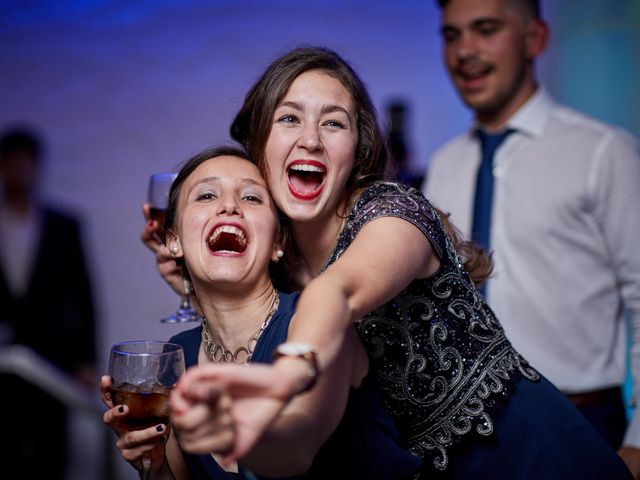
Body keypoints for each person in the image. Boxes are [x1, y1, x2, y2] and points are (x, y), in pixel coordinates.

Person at [143, 47, 632, 478]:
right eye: (289, 118)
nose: (311, 138)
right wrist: (191, 279)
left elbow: (337, 293)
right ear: (258, 145)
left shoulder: (392, 211)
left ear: (357, 149)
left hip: (532, 456)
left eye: (333, 122)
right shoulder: (283, 261)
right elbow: (251, 319)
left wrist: (289, 372)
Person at [105, 146, 420, 479]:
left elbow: (297, 445)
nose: (229, 206)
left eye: (252, 198)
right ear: (174, 241)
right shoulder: (177, 357)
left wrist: (235, 432)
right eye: (207, 195)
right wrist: (153, 465)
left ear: (277, 244)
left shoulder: (314, 321)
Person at [421, 0, 640, 475]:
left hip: (580, 419)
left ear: (534, 39)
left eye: (485, 30)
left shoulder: (604, 152)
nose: (465, 51)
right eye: (452, 35)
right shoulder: (442, 166)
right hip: (462, 427)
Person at [0, 126, 97, 479]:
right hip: (3, 359)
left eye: (25, 163)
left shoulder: (64, 225)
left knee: (52, 450)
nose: (19, 170)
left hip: (53, 360)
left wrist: (86, 359)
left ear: (37, 167)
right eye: (11, 163)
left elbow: (85, 296)